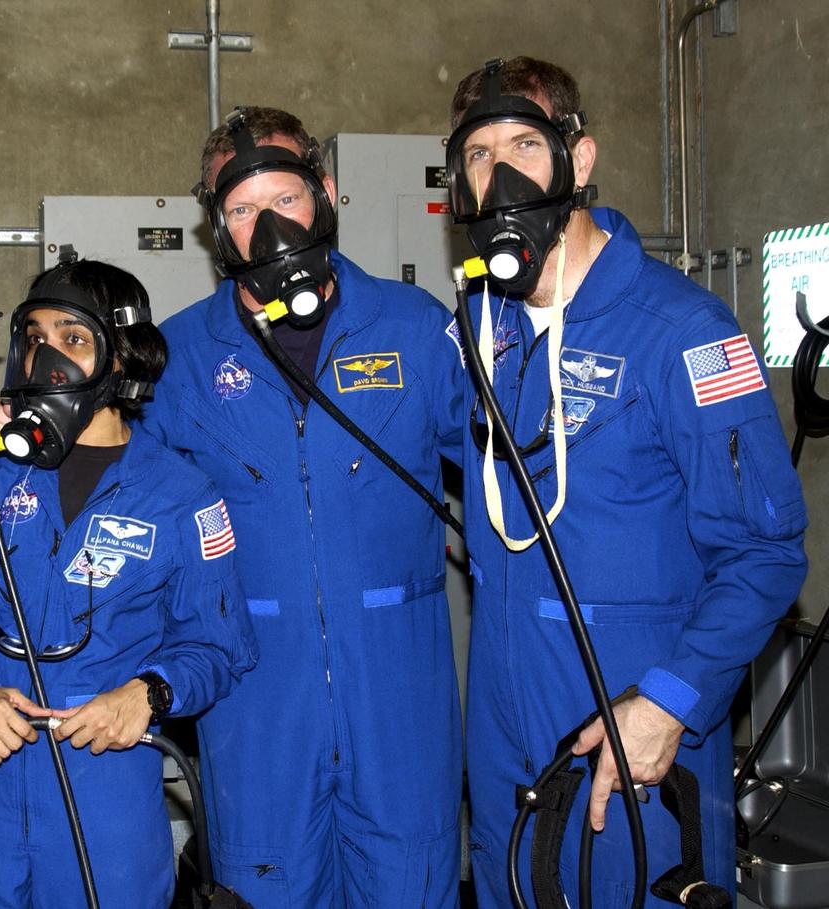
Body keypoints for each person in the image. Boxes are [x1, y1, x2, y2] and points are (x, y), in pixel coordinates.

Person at [447, 57, 808, 906]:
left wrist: (670, 702)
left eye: (526, 145)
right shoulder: (474, 334)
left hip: (632, 718)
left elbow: (765, 552)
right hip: (504, 719)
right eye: (477, 154)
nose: (500, 175)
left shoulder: (680, 330)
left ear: (580, 158)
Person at [152, 107, 466, 907]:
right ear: (216, 226)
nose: (267, 228)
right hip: (256, 706)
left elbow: (509, 480)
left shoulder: (415, 326)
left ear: (325, 194)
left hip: (400, 702)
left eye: (284, 199)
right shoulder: (181, 355)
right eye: (243, 210)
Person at [0, 258, 256, 908]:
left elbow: (218, 645)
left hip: (105, 775)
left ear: (123, 357)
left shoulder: (180, 494)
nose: (48, 359)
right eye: (35, 338)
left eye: (73, 339)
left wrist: (147, 693)